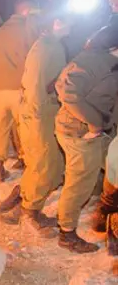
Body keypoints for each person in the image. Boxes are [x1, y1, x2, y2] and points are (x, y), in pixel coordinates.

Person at [0, 13, 70, 234]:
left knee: (46, 162)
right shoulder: (45, 47)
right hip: (39, 113)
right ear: (55, 21)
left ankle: (21, 201)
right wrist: (34, 115)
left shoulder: (51, 44)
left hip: (44, 111)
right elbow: (34, 84)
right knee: (44, 162)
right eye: (67, 20)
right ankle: (30, 210)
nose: (70, 25)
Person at [53, 24, 118, 253]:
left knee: (110, 173)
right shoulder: (90, 61)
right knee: (79, 182)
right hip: (80, 131)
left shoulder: (108, 62)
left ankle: (104, 217)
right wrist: (95, 125)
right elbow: (68, 93)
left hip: (98, 131)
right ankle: (66, 233)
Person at [0, 0, 39, 181]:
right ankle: (28, 165)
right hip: (19, 89)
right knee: (25, 129)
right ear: (26, 11)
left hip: (0, 91)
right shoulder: (27, 29)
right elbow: (33, 58)